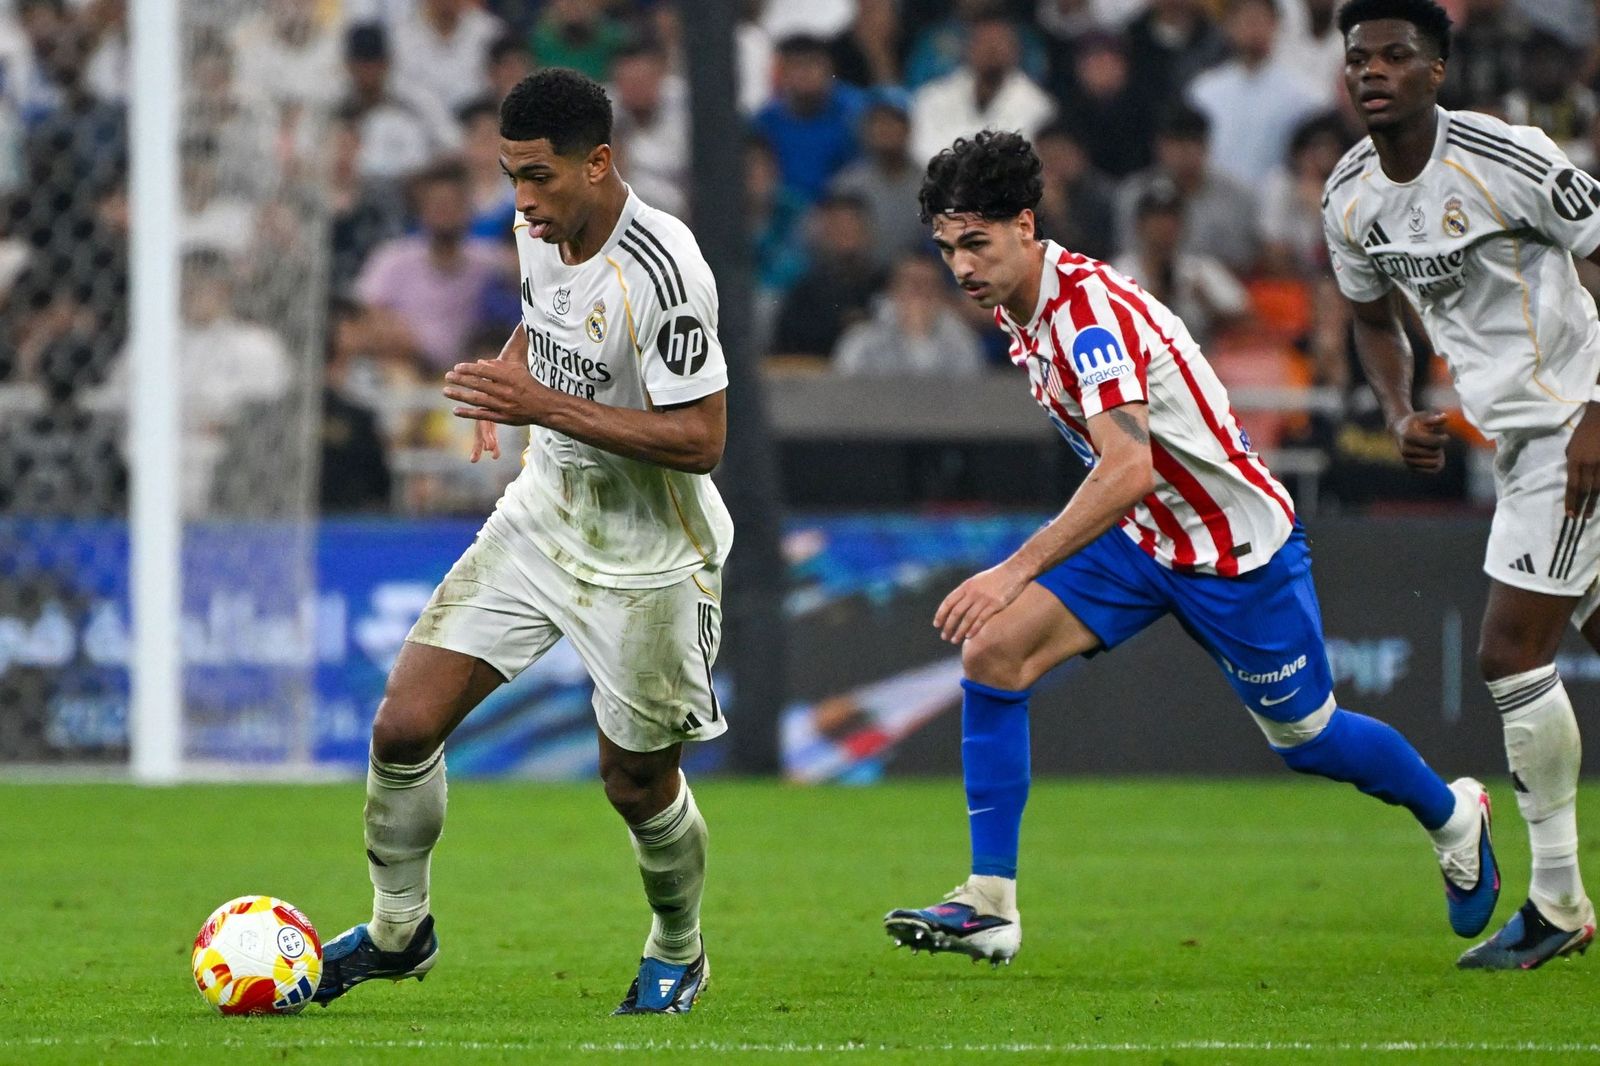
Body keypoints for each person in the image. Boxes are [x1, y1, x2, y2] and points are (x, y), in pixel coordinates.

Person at [881, 129, 1498, 967]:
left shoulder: (1086, 317)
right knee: (993, 656)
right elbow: (1132, 480)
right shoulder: (1020, 307)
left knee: (1308, 739)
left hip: (1232, 551)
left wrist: (1012, 568)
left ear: (1026, 226)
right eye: (948, 247)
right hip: (1142, 540)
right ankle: (990, 903)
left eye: (976, 243)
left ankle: (1455, 815)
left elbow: (1127, 467)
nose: (959, 266)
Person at [314, 68, 732, 1015]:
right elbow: (546, 327)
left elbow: (704, 440)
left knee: (634, 782)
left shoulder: (664, 274)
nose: (522, 201)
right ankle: (397, 930)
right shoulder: (538, 222)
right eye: (509, 177)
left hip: (648, 554)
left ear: (600, 163)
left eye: (538, 177)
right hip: (542, 518)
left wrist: (540, 404)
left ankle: (679, 945)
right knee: (403, 725)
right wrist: (505, 385)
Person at [1322, 0, 1600, 968]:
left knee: (1506, 651)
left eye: (1395, 55)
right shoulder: (1349, 197)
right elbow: (1367, 317)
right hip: (1518, 443)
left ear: (1437, 70)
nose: (1372, 71)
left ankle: (1560, 903)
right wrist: (1397, 410)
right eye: (1358, 57)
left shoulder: (1508, 157)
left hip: (1573, 426)